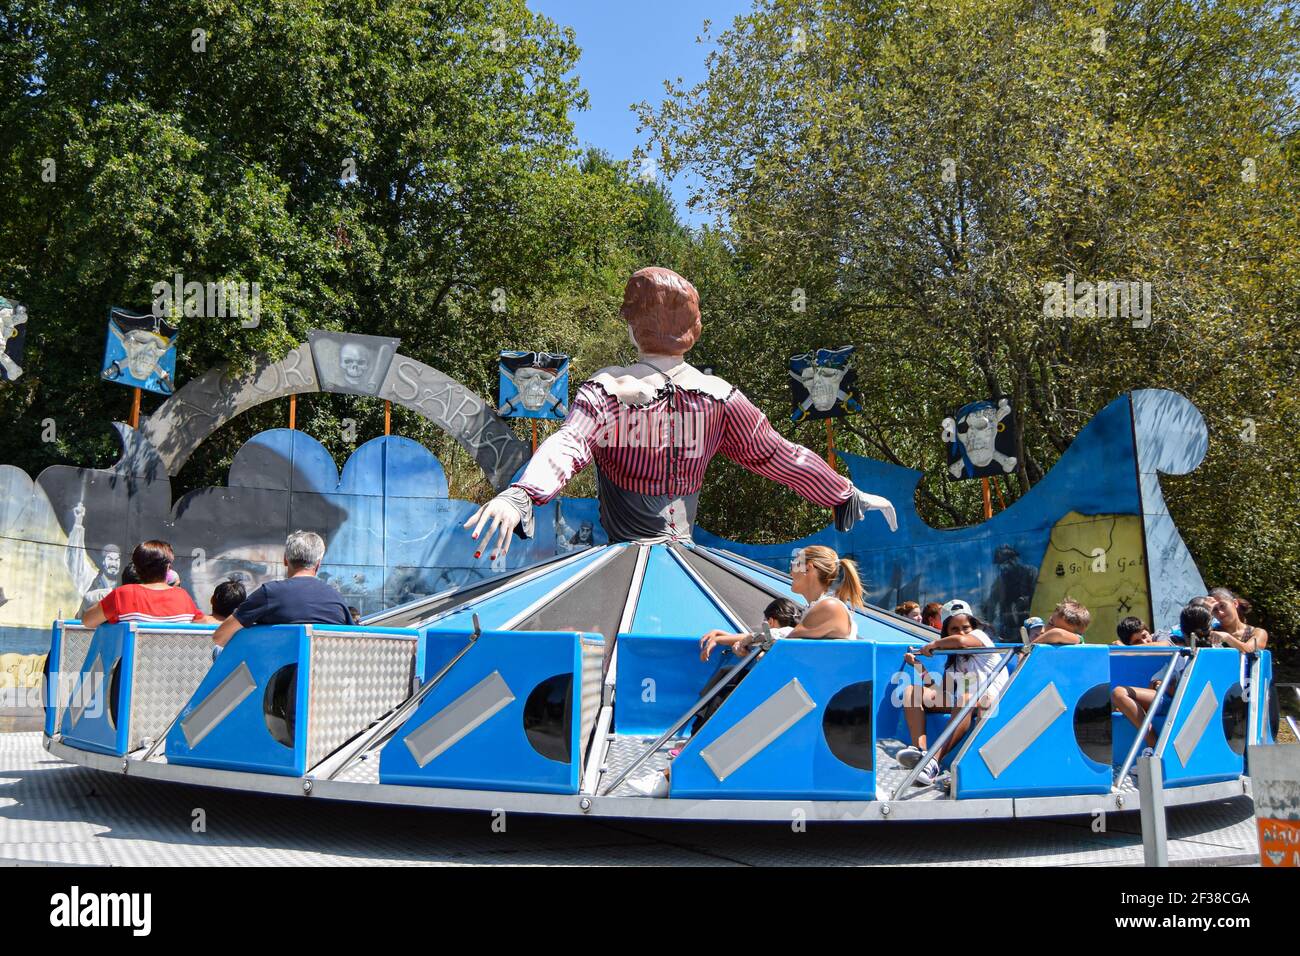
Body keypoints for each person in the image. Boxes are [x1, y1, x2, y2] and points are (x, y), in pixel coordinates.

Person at [463, 267, 898, 557]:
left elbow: (569, 444)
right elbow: (780, 456)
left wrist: (522, 494)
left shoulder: (609, 387)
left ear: (632, 324)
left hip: (622, 561)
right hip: (685, 561)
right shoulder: (721, 396)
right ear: (694, 330)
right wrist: (845, 492)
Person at [626, 596, 810, 797]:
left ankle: (679, 762)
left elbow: (765, 635)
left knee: (726, 682)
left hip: (773, 698)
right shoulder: (796, 634)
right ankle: (692, 743)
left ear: (771, 621)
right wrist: (723, 637)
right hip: (778, 692)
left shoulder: (782, 634)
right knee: (728, 677)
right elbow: (761, 635)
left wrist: (734, 641)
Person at [895, 599, 1011, 786]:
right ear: (946, 632)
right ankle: (920, 751)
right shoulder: (954, 662)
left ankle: (933, 762)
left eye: (965, 627)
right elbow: (940, 692)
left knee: (966, 696)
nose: (961, 632)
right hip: (969, 701)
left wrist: (935, 644)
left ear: (973, 627)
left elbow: (962, 642)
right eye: (954, 629)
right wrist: (917, 666)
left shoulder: (980, 637)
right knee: (912, 691)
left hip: (993, 701)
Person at [698, 545, 864, 661]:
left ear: (808, 568)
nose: (790, 571)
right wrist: (724, 638)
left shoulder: (829, 607)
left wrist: (748, 640)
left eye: (793, 564)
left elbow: (784, 638)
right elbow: (782, 635)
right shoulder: (818, 607)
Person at [212, 531, 351, 647]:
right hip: (323, 677)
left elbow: (220, 637)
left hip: (278, 678)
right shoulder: (337, 598)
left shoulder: (269, 593)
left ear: (285, 559)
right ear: (318, 564)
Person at [1111, 604, 1209, 763]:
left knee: (1122, 694)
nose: (1145, 641)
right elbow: (1151, 685)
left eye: (1145, 635)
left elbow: (1165, 646)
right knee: (1118, 694)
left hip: (1184, 698)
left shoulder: (1164, 638)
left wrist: (1129, 647)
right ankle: (1152, 743)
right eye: (1138, 641)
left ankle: (1154, 746)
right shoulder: (1143, 659)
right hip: (1163, 699)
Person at [80, 540, 205, 627]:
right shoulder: (182, 597)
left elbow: (87, 621)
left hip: (131, 665)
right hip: (171, 664)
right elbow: (202, 623)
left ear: (136, 568)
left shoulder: (124, 594)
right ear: (168, 568)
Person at [1209, 587, 1268, 653]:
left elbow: (1249, 650)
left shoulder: (1258, 632)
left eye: (1222, 606)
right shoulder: (1210, 632)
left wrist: (1227, 638)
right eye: (1215, 609)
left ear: (1235, 603)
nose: (1220, 612)